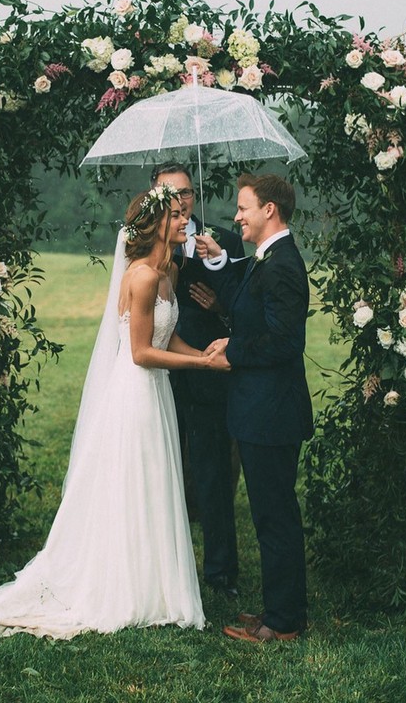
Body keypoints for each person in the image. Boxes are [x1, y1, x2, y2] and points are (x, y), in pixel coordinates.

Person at [0, 184, 229, 639]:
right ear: (156, 225)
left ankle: (157, 587)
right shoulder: (143, 277)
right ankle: (121, 588)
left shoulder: (168, 274)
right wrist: (202, 363)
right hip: (136, 393)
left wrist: (202, 351)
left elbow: (167, 338)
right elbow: (141, 353)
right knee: (133, 485)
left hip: (157, 394)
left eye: (185, 214)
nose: (187, 219)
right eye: (178, 216)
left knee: (154, 485)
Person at [195, 173, 313, 642]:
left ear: (270, 210)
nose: (236, 216)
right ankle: (278, 609)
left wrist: (233, 350)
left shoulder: (282, 264)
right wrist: (232, 332)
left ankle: (282, 622)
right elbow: (253, 314)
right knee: (271, 515)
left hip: (272, 414)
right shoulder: (268, 259)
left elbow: (284, 342)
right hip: (261, 411)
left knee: (275, 517)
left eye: (243, 207)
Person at [151, 162, 244, 599]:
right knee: (158, 471)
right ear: (153, 196)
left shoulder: (222, 239)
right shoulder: (146, 245)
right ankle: (162, 567)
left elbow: (246, 306)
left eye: (186, 192)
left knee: (212, 474)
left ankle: (221, 573)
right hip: (159, 374)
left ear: (195, 193)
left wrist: (217, 308)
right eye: (169, 193)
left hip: (208, 373)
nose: (180, 201)